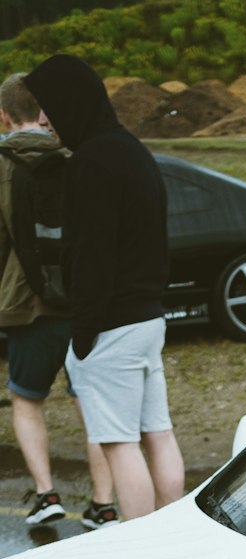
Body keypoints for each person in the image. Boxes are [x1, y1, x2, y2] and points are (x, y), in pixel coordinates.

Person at [23, 55, 185, 522]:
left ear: (70, 102)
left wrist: (84, 333)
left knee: (119, 444)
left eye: (47, 107)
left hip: (111, 325)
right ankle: (173, 531)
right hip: (148, 318)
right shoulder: (133, 151)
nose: (41, 119)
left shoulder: (91, 163)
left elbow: (92, 255)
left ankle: (135, 542)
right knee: (158, 433)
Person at [0, 71, 117, 530]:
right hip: (82, 300)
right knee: (88, 400)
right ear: (46, 113)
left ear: (4, 115)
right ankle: (103, 504)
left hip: (26, 305)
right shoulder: (78, 157)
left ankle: (46, 494)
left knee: (27, 399)